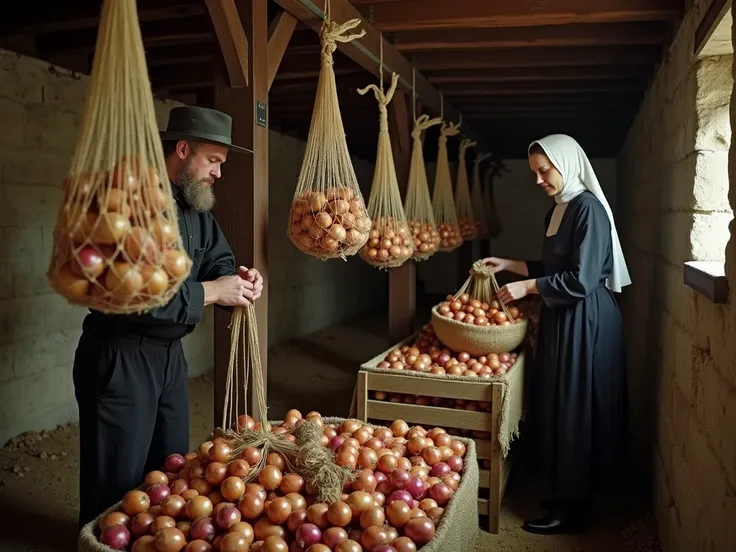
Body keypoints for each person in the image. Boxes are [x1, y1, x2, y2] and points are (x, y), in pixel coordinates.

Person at [72, 106, 264, 529]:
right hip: (121, 355)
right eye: (213, 161)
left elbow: (219, 259)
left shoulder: (195, 206)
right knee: (115, 486)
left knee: (169, 475)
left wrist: (238, 280)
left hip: (168, 357)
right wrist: (211, 292)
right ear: (182, 149)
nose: (217, 173)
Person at [480, 134, 631, 535]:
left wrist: (527, 289)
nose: (539, 180)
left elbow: (580, 280)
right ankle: (567, 491)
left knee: (576, 405)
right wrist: (509, 264)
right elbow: (552, 266)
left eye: (544, 171)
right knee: (561, 401)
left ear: (566, 164)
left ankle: (575, 507)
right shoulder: (560, 209)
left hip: (586, 318)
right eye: (535, 172)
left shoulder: (589, 211)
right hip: (564, 315)